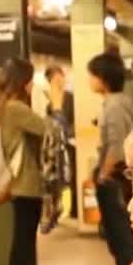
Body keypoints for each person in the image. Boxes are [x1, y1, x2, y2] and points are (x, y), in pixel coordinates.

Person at [0, 57, 51, 265]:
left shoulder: (7, 106)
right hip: (25, 185)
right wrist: (46, 100)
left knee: (24, 245)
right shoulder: (16, 108)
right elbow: (48, 129)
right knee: (22, 246)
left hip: (25, 185)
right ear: (24, 82)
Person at [88, 52, 133, 265]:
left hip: (114, 182)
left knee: (122, 242)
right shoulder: (122, 101)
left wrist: (103, 174)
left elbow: (117, 146)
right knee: (121, 241)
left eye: (92, 75)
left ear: (103, 78)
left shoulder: (115, 105)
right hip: (118, 179)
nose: (89, 80)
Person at [44, 65, 78, 219]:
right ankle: (58, 207)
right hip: (58, 144)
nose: (59, 81)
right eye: (54, 79)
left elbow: (69, 120)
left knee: (73, 174)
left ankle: (75, 209)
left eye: (60, 77)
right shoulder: (49, 103)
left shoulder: (70, 97)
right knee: (57, 175)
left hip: (71, 142)